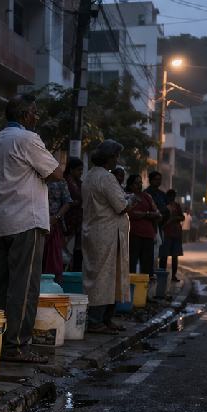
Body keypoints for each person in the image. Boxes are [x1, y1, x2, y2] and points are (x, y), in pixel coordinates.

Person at [0, 94, 65, 364]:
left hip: (1, 221)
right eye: (34, 112)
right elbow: (55, 173)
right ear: (25, 115)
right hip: (25, 221)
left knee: (2, 285)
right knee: (24, 286)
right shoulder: (28, 139)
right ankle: (17, 345)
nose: (37, 116)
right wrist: (59, 152)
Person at [81, 141, 130, 333]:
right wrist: (130, 201)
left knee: (99, 275)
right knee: (105, 277)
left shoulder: (89, 176)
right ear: (109, 157)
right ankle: (97, 320)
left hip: (94, 230)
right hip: (107, 233)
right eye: (115, 157)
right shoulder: (106, 178)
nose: (117, 160)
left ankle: (104, 319)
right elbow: (121, 205)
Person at [126, 174, 161, 275]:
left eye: (140, 182)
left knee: (147, 267)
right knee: (131, 264)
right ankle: (130, 288)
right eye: (136, 183)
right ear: (131, 185)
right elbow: (131, 214)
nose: (139, 185)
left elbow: (158, 214)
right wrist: (148, 214)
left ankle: (145, 288)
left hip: (148, 235)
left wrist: (146, 214)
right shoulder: (127, 196)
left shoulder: (146, 196)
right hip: (133, 235)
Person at [43, 175, 73, 275]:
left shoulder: (60, 181)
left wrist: (56, 217)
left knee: (54, 258)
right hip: (37, 223)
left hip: (54, 224)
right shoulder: (36, 176)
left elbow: (67, 202)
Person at [63, 159, 84, 271]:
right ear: (71, 170)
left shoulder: (79, 183)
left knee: (76, 253)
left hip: (78, 223)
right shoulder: (65, 182)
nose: (81, 172)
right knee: (64, 253)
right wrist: (75, 202)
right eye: (79, 170)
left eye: (82, 170)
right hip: (66, 223)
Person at [160, 189, 185, 283]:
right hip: (167, 233)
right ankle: (162, 275)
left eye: (173, 196)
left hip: (176, 233)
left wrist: (175, 218)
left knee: (174, 256)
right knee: (164, 256)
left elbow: (182, 217)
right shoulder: (165, 206)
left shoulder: (177, 205)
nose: (172, 198)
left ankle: (173, 275)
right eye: (171, 196)